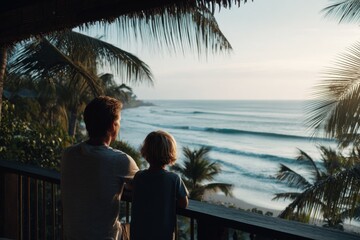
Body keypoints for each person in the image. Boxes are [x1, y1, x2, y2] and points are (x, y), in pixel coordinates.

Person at [61, 96, 139, 240]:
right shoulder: (121, 160)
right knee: (139, 229)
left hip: (71, 235)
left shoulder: (68, 154)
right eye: (119, 122)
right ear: (112, 126)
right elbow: (148, 185)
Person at [130, 130, 189, 240]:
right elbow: (183, 203)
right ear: (170, 154)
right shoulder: (174, 179)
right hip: (162, 235)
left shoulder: (139, 176)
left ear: (146, 152)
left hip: (139, 234)